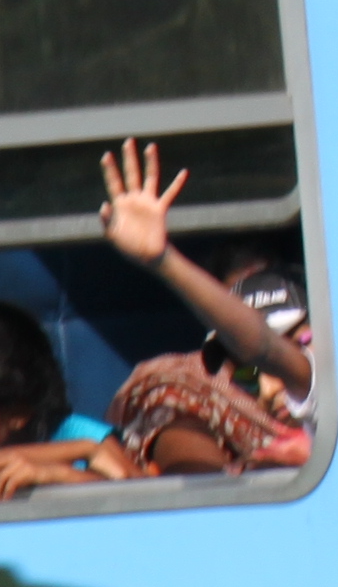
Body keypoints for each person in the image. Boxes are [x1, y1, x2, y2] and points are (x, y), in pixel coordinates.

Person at [96, 140, 315, 474]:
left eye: (293, 346)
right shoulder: (190, 385)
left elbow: (264, 347)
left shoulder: (334, 381)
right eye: (248, 371)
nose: (270, 389)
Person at [0, 299, 143, 500]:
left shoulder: (83, 433)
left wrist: (58, 475)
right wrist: (85, 451)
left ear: (17, 412)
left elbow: (134, 496)